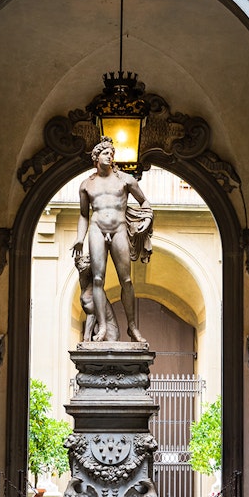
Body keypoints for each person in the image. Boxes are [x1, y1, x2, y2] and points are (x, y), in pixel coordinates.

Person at [72, 137, 153, 343]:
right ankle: (102, 328)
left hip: (119, 229)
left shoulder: (125, 180)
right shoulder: (86, 185)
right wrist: (80, 238)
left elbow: (145, 202)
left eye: (112, 153)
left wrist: (147, 218)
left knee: (125, 280)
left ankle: (132, 327)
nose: (110, 156)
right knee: (98, 279)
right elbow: (84, 215)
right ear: (96, 157)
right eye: (106, 153)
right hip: (97, 229)